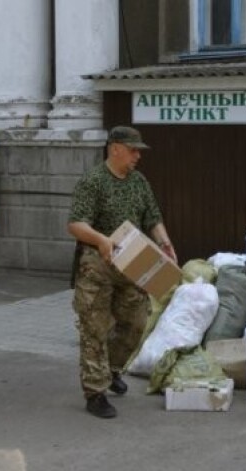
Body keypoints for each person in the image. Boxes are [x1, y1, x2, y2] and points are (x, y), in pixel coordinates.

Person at [67, 126, 177, 419]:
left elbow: (153, 217)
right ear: (115, 148)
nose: (137, 156)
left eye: (138, 150)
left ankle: (112, 369)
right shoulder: (93, 182)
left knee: (136, 323)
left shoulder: (139, 182)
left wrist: (164, 243)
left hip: (133, 262)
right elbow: (76, 224)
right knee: (95, 329)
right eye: (132, 150)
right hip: (98, 264)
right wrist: (102, 240)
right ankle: (95, 392)